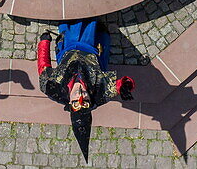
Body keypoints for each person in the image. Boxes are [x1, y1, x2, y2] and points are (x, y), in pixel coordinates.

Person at [37, 21, 135, 159]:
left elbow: (43, 65)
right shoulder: (100, 92)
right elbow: (119, 85)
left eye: (76, 102)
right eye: (85, 101)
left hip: (68, 49)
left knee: (69, 23)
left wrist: (44, 42)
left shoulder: (52, 87)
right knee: (91, 21)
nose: (80, 96)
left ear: (70, 104)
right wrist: (126, 86)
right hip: (92, 46)